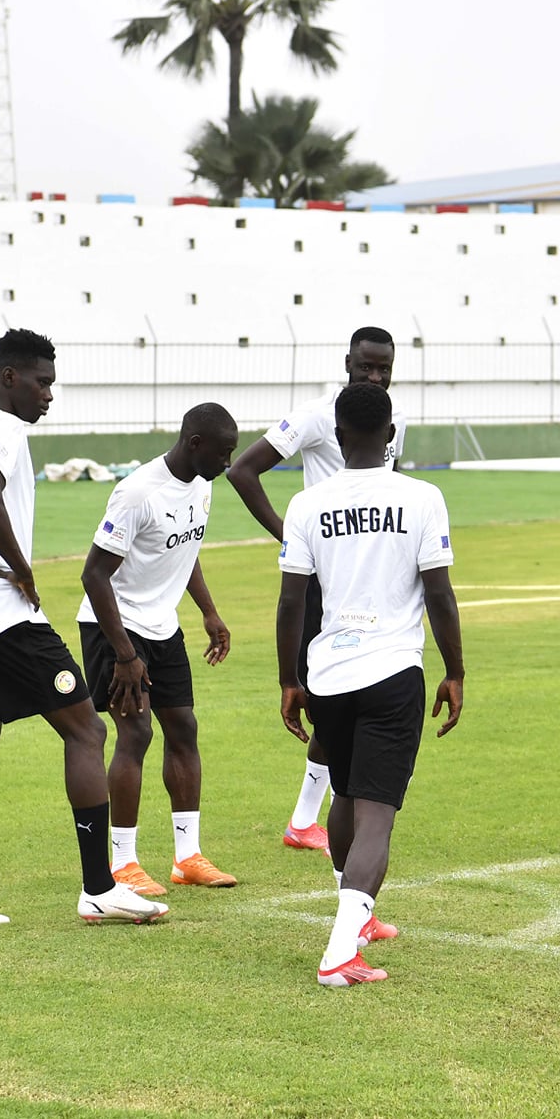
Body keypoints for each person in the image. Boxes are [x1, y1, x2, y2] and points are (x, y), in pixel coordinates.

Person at [0, 327, 168, 930]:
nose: (48, 395)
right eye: (42, 382)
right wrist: (23, 571)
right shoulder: (3, 431)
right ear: (10, 377)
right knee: (87, 730)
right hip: (4, 614)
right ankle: (98, 888)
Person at [274, 383, 464, 987]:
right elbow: (439, 593)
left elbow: (290, 602)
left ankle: (354, 917)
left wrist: (290, 679)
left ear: (337, 433)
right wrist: (455, 671)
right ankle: (340, 953)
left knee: (347, 797)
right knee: (376, 816)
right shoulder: (422, 497)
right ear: (390, 435)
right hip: (392, 672)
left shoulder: (308, 504)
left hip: (329, 673)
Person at [227, 326, 408, 860]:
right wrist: (292, 536)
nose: (374, 377)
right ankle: (310, 819)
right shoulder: (315, 414)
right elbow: (243, 470)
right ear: (347, 361)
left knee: (355, 698)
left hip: (372, 584)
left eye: (383, 369)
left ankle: (306, 819)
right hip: (326, 585)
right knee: (331, 701)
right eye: (365, 367)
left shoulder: (392, 418)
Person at [77, 404, 241, 897]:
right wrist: (125, 654)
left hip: (161, 624)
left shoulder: (203, 484)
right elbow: (93, 575)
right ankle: (123, 863)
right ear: (195, 443)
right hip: (114, 624)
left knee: (184, 728)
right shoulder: (137, 492)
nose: (228, 463)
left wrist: (209, 613)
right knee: (136, 732)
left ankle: (187, 857)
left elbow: (182, 550)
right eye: (223, 453)